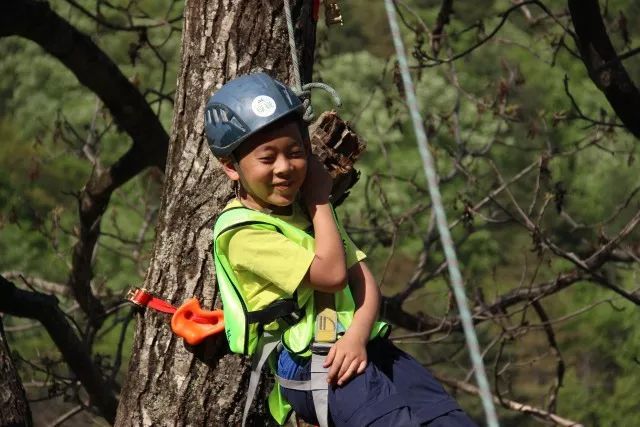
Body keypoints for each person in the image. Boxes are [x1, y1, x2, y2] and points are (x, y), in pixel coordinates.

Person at [205, 72, 476, 427]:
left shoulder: (309, 214)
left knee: (450, 420)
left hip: (360, 346)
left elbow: (363, 281)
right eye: (267, 159)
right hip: (313, 362)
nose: (285, 168)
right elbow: (332, 276)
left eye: (295, 153)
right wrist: (320, 199)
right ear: (231, 167)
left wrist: (358, 337)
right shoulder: (242, 233)